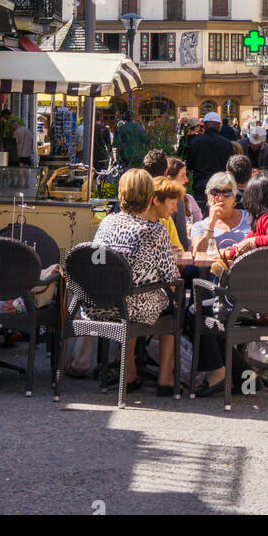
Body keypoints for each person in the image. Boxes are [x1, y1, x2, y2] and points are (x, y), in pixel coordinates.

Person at [91, 169, 179, 395]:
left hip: (99, 304)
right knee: (173, 303)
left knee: (130, 294)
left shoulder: (107, 223)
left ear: (121, 194)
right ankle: (165, 378)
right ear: (150, 198)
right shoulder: (154, 230)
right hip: (134, 307)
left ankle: (128, 373)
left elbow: (95, 261)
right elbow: (171, 276)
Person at [189, 172, 251, 256]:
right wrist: (211, 224)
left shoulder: (250, 218)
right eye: (215, 192)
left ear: (234, 196)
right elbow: (197, 255)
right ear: (208, 196)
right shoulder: (199, 227)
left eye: (227, 192)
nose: (221, 198)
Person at [184, 112, 235, 208]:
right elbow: (230, 167)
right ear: (218, 126)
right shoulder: (226, 143)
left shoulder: (196, 142)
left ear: (206, 125)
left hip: (200, 186)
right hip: (220, 187)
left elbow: (189, 164)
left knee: (200, 216)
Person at [165, 156, 203, 249]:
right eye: (182, 175)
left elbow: (201, 227)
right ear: (171, 179)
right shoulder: (163, 205)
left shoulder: (189, 199)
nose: (186, 180)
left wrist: (193, 228)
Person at [148, 175, 186, 254]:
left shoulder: (167, 221)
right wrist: (165, 254)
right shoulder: (139, 227)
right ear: (156, 200)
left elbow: (181, 256)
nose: (175, 209)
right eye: (172, 203)